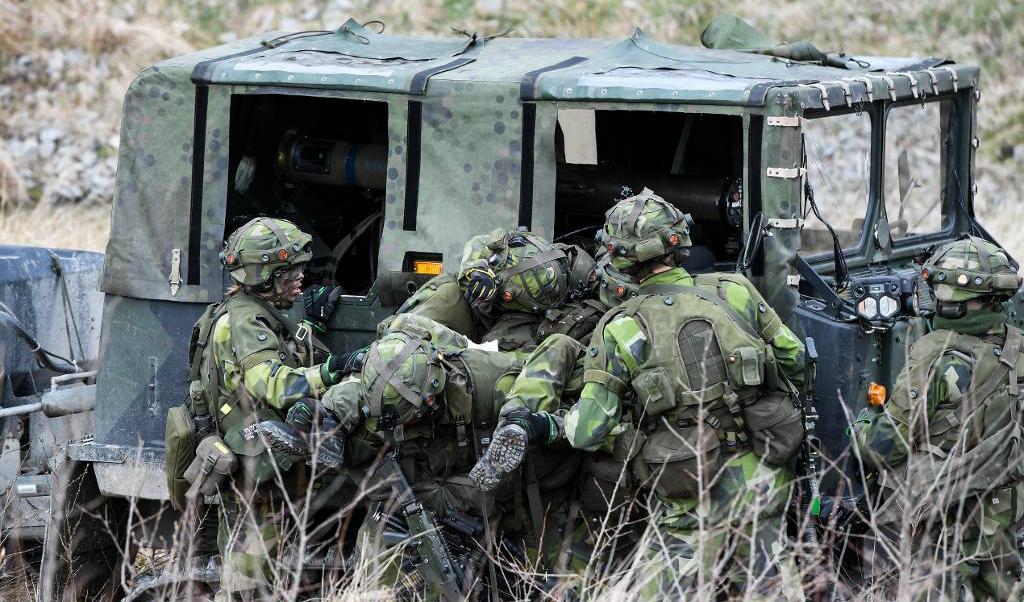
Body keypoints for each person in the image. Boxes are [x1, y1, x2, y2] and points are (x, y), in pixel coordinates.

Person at [472, 189, 806, 597]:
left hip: (691, 493)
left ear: (619, 256)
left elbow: (586, 432)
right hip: (764, 480)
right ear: (678, 240)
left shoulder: (621, 326)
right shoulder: (733, 289)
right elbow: (794, 358)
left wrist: (545, 423)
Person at [188, 217, 354, 600]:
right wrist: (332, 370)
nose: (298, 280)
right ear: (264, 277)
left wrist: (310, 326)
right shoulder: (245, 320)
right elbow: (272, 383)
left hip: (253, 458)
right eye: (288, 273)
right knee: (250, 575)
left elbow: (275, 356)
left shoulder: (245, 310)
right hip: (255, 465)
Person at [852, 236, 1024, 600]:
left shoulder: (937, 354)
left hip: (946, 512)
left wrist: (863, 424)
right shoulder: (1018, 347)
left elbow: (882, 449)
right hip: (1004, 506)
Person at [389, 227, 598, 351]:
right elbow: (481, 242)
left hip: (529, 328)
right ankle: (393, 345)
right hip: (485, 316)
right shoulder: (513, 250)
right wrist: (475, 269)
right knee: (447, 290)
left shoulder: (581, 273)